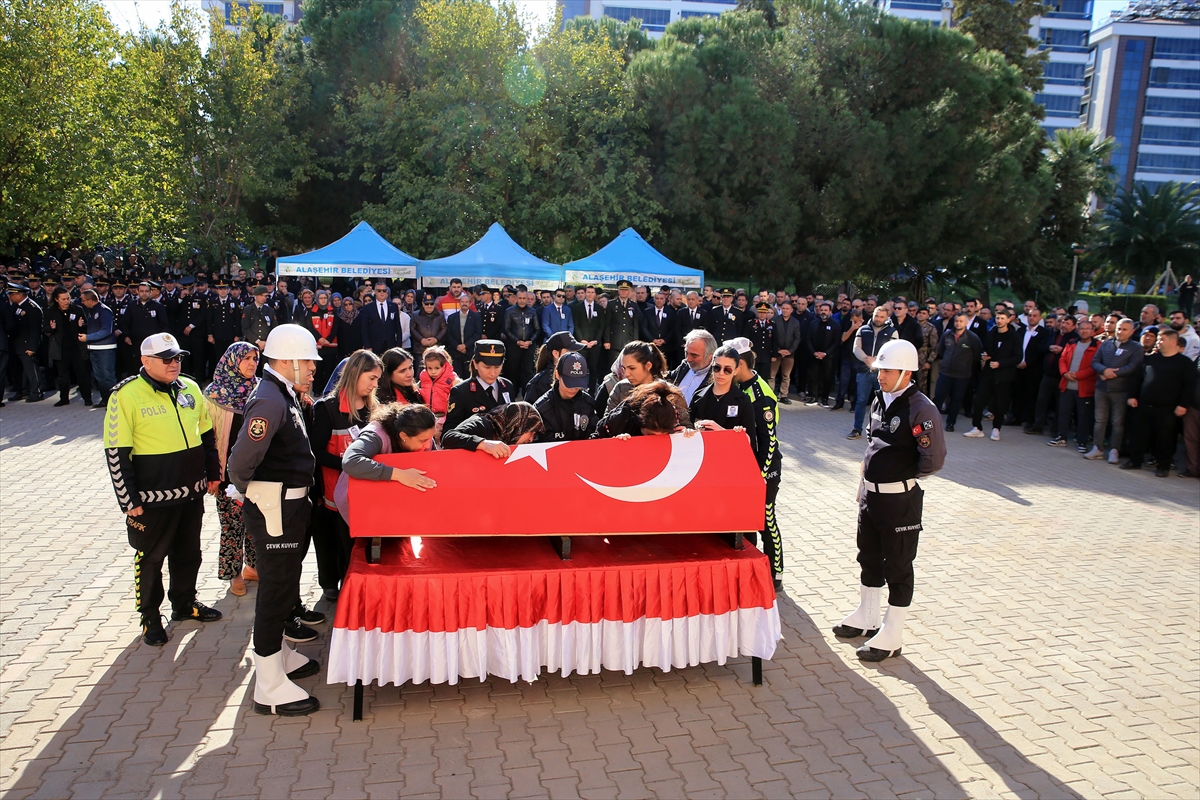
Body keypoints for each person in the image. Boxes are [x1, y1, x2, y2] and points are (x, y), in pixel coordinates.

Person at [226, 324, 323, 717]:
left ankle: (278, 656)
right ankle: (268, 683)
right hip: (275, 508)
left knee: (284, 585)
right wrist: (253, 492)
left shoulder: (283, 392)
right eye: (307, 361)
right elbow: (240, 462)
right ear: (285, 360)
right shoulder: (269, 398)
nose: (314, 368)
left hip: (288, 505)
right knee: (275, 590)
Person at [104, 332, 223, 647]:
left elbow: (207, 434)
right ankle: (150, 617)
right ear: (145, 361)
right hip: (151, 499)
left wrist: (213, 473)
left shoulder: (191, 388)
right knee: (151, 559)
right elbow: (116, 452)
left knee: (189, 555)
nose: (175, 364)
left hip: (191, 493)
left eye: (178, 357)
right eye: (167, 359)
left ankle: (184, 605)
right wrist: (128, 501)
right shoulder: (125, 395)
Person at [833, 339, 945, 662]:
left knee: (897, 565)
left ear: (906, 372)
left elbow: (933, 459)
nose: (880, 376)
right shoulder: (880, 399)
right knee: (868, 555)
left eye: (887, 371)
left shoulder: (921, 408)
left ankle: (893, 631)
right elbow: (872, 439)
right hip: (870, 495)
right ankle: (867, 617)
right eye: (879, 369)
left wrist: (902, 475)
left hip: (899, 499)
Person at [311, 349, 382, 597]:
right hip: (338, 497)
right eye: (371, 378)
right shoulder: (327, 408)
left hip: (368, 495)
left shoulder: (374, 408)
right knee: (342, 551)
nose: (375, 384)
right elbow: (315, 452)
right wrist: (351, 464)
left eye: (377, 379)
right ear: (354, 373)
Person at [725, 337, 784, 589]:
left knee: (765, 519)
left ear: (739, 365)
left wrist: (759, 476)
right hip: (742, 467)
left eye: (728, 366)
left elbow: (768, 441)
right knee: (743, 520)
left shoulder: (761, 395)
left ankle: (775, 573)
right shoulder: (736, 387)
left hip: (764, 468)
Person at [203, 342, 261, 597]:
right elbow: (208, 439)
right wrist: (213, 475)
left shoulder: (261, 390)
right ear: (231, 361)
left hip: (257, 472)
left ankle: (252, 567)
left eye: (255, 358)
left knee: (256, 524)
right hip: (227, 475)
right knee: (231, 526)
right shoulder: (215, 395)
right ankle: (233, 574)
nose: (251, 363)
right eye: (245, 358)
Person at [1120, 330, 1193, 476]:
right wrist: (1132, 396)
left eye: (1162, 339)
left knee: (1164, 438)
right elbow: (1137, 379)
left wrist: (1183, 405)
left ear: (1173, 342)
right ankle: (1135, 460)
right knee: (1139, 435)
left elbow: (1189, 386)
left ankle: (1163, 466)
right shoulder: (1150, 359)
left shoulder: (1185, 363)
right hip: (1144, 405)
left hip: (1168, 408)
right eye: (1158, 339)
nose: (1158, 342)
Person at [340, 403, 439, 492]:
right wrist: (401, 475)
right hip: (360, 501)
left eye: (431, 437)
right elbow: (351, 461)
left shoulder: (425, 436)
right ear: (403, 436)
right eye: (423, 440)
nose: (428, 445)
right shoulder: (376, 435)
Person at [1084, 319, 1144, 464]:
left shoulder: (1136, 347)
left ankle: (1114, 450)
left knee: (1117, 422)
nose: (1120, 332)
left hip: (1121, 390)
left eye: (1124, 329)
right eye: (1119, 328)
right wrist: (1104, 370)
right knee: (1100, 420)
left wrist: (1113, 373)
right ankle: (1097, 448)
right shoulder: (1106, 344)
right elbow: (1095, 361)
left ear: (1131, 332)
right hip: (1102, 388)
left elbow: (1133, 366)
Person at [963, 307, 1020, 441]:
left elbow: (1017, 357)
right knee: (979, 400)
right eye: (997, 318)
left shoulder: (1014, 337)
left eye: (1002, 318)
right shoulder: (992, 333)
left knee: (1000, 403)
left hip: (1004, 375)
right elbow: (986, 348)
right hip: (988, 373)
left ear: (1008, 319)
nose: (999, 321)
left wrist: (1000, 363)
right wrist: (985, 355)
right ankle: (977, 427)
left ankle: (996, 428)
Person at [1048, 320, 1099, 451]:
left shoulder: (1098, 346)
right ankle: (1061, 437)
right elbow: (1062, 359)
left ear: (1093, 331)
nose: (1085, 331)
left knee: (1083, 416)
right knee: (1063, 413)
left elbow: (1094, 366)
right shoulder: (1071, 343)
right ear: (1078, 330)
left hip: (1085, 387)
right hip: (1067, 384)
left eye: (1088, 329)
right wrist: (1064, 373)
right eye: (1082, 328)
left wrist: (1078, 375)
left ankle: (1082, 441)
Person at [444, 339, 515, 431]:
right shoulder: (461, 392)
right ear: (475, 364)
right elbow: (449, 433)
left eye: (497, 367)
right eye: (487, 367)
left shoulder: (507, 386)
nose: (492, 373)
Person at [848, 306, 896, 439]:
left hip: (883, 372)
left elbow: (892, 351)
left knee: (884, 401)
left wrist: (878, 360)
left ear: (886, 317)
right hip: (864, 371)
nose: (878, 319)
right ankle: (857, 429)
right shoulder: (863, 329)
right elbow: (856, 347)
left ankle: (884, 431)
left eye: (882, 316)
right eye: (876, 316)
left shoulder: (892, 332)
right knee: (861, 401)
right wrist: (866, 359)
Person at [689, 344, 756, 438]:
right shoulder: (699, 396)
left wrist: (721, 431)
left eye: (727, 370)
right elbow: (689, 427)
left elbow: (750, 442)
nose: (721, 373)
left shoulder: (743, 401)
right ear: (712, 366)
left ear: (736, 370)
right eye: (717, 368)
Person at [43, 286, 93, 406]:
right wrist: (51, 328)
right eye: (63, 299)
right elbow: (45, 330)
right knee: (63, 375)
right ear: (56, 299)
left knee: (82, 373)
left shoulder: (77, 309)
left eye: (68, 298)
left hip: (77, 347)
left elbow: (86, 326)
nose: (66, 301)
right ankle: (64, 398)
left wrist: (82, 325)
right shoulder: (50, 312)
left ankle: (87, 398)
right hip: (60, 348)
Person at [534, 352, 596, 441]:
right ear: (557, 375)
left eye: (578, 383)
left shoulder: (588, 404)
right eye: (569, 383)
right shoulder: (542, 409)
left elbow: (595, 435)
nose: (574, 388)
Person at [593, 380, 689, 438]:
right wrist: (614, 442)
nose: (657, 441)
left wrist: (686, 437)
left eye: (664, 435)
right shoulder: (621, 419)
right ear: (640, 422)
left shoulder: (671, 414)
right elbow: (594, 442)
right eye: (651, 435)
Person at [443, 399, 544, 453]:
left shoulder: (507, 436)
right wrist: (484, 444)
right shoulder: (482, 423)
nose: (531, 439)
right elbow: (449, 437)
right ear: (517, 424)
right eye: (530, 431)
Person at [524, 331, 584, 404]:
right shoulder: (538, 383)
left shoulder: (577, 375)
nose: (574, 355)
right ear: (555, 353)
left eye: (576, 351)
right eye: (570, 351)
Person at [666, 328, 716, 407]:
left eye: (694, 355)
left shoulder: (716, 379)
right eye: (686, 353)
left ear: (711, 357)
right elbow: (668, 377)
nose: (688, 359)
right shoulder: (684, 365)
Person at [502, 290, 540, 388]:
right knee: (513, 371)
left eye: (524, 298)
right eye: (520, 298)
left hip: (529, 346)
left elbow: (537, 329)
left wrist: (530, 341)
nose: (522, 301)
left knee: (528, 371)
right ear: (516, 298)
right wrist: (517, 341)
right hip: (514, 346)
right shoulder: (509, 311)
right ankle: (512, 394)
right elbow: (507, 329)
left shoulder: (532, 312)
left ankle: (526, 394)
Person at [806, 301, 840, 407]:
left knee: (826, 378)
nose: (823, 312)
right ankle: (813, 397)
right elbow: (808, 339)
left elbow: (836, 342)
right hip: (814, 355)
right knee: (813, 377)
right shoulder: (813, 323)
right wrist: (814, 352)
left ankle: (824, 399)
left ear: (830, 312)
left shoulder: (835, 325)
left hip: (828, 357)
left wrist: (825, 353)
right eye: (822, 310)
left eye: (826, 310)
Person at [603, 280, 641, 367]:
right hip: (615, 340)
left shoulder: (633, 305)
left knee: (627, 365)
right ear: (618, 290)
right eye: (621, 290)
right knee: (613, 365)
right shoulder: (611, 304)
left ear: (629, 291)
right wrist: (607, 340)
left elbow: (635, 325)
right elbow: (607, 323)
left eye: (626, 290)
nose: (624, 292)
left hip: (628, 340)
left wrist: (635, 341)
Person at [360, 283, 404, 356]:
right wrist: (367, 346)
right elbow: (364, 329)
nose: (382, 293)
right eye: (379, 290)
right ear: (375, 292)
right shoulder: (368, 308)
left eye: (384, 290)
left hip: (391, 345)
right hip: (374, 346)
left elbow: (398, 327)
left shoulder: (393, 306)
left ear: (387, 292)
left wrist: (398, 345)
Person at [445, 293, 482, 377]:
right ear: (459, 303)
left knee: (469, 376)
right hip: (455, 352)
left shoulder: (476, 317)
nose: (464, 304)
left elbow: (477, 333)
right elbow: (448, 334)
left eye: (466, 302)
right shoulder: (452, 317)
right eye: (462, 302)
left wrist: (465, 346)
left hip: (469, 352)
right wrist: (457, 346)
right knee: (456, 376)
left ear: (470, 303)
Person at [771, 300, 801, 404]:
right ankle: (771, 395)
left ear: (791, 310)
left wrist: (790, 351)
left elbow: (797, 338)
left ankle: (784, 395)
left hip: (789, 354)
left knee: (786, 376)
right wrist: (778, 350)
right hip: (776, 352)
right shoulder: (774, 320)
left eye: (787, 309)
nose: (785, 310)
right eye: (783, 308)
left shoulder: (795, 322)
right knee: (772, 375)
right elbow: (772, 337)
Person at [418, 345, 456, 426]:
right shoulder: (423, 379)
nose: (433, 372)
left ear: (444, 365)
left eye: (437, 368)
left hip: (446, 417)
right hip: (427, 417)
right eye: (430, 368)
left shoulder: (452, 380)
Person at [411, 293, 447, 364]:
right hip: (420, 348)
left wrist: (436, 339)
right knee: (420, 371)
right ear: (423, 304)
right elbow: (412, 329)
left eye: (431, 303)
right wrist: (421, 340)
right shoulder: (415, 315)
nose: (429, 306)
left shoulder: (440, 315)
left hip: (436, 348)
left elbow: (444, 328)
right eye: (427, 304)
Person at [241, 286, 276, 351]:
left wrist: (267, 341)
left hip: (266, 344)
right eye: (261, 295)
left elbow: (274, 327)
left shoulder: (270, 310)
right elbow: (245, 328)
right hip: (252, 343)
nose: (263, 298)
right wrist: (257, 341)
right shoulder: (248, 309)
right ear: (255, 296)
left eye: (265, 296)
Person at [334, 295, 364, 360]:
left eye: (350, 304)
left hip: (358, 346)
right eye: (346, 304)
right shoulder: (340, 318)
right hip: (344, 347)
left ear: (353, 304)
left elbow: (363, 331)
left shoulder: (360, 316)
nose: (348, 306)